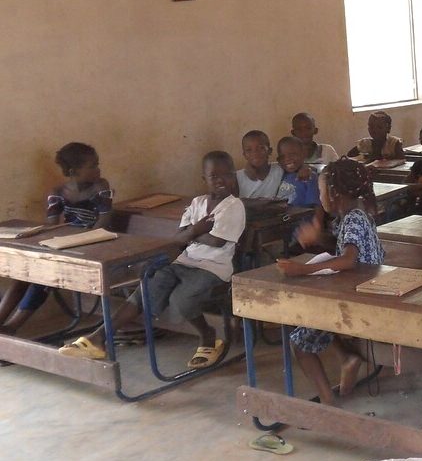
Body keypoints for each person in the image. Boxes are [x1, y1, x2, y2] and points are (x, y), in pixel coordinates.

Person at [60, 151, 245, 368]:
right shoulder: (197, 203)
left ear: (234, 175)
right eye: (214, 176)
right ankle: (98, 339)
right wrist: (197, 230)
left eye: (227, 174)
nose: (221, 180)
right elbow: (178, 238)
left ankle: (208, 336)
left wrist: (191, 233)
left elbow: (216, 242)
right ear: (204, 179)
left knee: (180, 299)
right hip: (184, 261)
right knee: (148, 286)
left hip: (214, 268)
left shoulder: (234, 206)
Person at [276, 159, 384, 406]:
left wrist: (302, 269)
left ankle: (327, 401)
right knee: (316, 313)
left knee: (299, 342)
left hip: (358, 301)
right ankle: (348, 357)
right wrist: (318, 239)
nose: (319, 196)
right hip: (360, 293)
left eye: (321, 191)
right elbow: (345, 249)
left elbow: (348, 259)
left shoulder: (354, 218)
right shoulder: (356, 214)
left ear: (334, 194)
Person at [0, 142, 112, 335]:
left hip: (95, 245)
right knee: (24, 274)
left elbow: (104, 221)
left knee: (42, 278)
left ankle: (12, 327)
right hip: (66, 245)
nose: (98, 169)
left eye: (97, 164)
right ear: (72, 171)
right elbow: (52, 226)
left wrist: (81, 239)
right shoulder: (58, 193)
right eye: (92, 166)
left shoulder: (100, 187)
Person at [237, 130, 294, 200]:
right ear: (244, 155)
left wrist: (303, 168)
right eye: (249, 150)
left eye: (261, 148)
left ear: (270, 151)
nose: (255, 153)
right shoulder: (237, 177)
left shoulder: (279, 169)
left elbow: (296, 166)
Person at [277, 136, 320, 207]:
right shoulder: (279, 175)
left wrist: (317, 218)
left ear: (304, 154)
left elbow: (316, 206)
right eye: (282, 156)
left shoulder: (309, 177)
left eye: (292, 154)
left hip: (300, 217)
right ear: (278, 160)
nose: (287, 159)